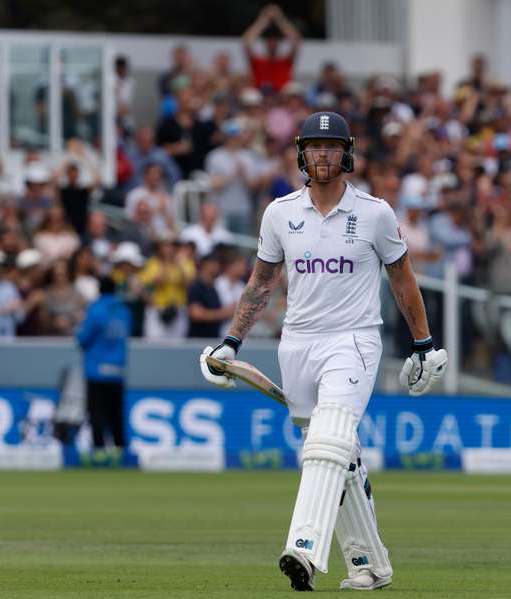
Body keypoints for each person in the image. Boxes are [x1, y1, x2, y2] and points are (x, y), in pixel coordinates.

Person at [199, 112, 447, 591]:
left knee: (327, 442)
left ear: (347, 152)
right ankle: (371, 563)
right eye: (315, 146)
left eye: (332, 147)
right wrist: (231, 342)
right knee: (338, 455)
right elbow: (261, 283)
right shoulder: (280, 213)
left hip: (354, 339)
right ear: (301, 152)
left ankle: (304, 549)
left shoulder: (374, 212)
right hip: (298, 342)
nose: (323, 155)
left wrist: (424, 343)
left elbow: (402, 279)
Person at [77, 276, 132, 450]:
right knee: (117, 415)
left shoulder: (95, 310)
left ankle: (99, 451)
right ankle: (120, 451)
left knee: (97, 415)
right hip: (117, 370)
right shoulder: (124, 311)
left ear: (99, 290)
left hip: (96, 371)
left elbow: (84, 339)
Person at [242, 4, 301, 93]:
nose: (272, 44)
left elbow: (296, 41)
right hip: (261, 99)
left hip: (282, 100)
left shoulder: (285, 62)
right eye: (270, 41)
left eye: (275, 41)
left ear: (279, 44)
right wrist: (263, 20)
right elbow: (246, 42)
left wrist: (280, 19)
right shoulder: (258, 61)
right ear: (266, 44)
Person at [187, 253, 233, 338]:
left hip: (212, 339)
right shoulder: (196, 287)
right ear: (206, 265)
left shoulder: (213, 288)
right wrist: (225, 313)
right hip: (198, 340)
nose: (218, 267)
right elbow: (196, 314)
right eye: (214, 263)